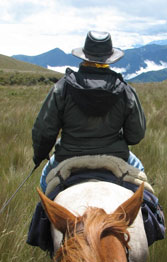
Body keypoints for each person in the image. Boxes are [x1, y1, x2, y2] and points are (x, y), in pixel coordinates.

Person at [32, 31, 146, 193]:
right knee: (143, 183)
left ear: (84, 57)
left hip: (68, 156)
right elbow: (136, 135)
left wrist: (39, 156)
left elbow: (44, 132)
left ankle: (43, 216)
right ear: (109, 59)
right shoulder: (126, 91)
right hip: (116, 155)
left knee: (45, 184)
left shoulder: (62, 88)